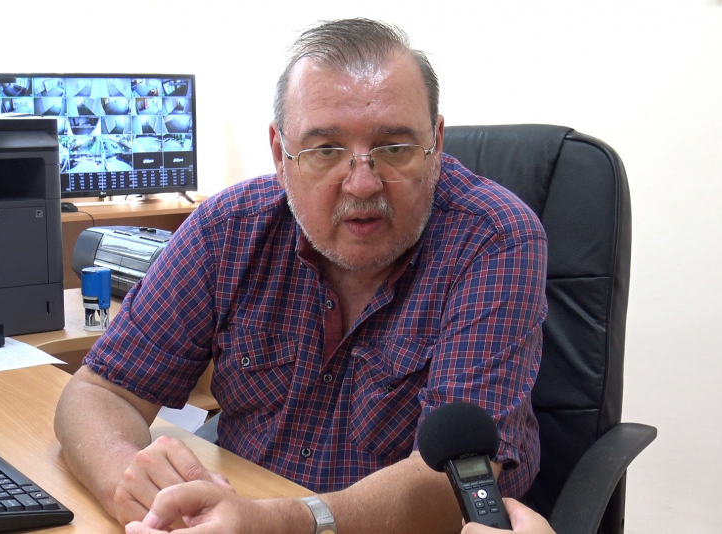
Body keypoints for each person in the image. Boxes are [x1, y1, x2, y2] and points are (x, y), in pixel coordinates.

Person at [54, 18, 547, 534]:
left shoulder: (494, 239)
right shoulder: (228, 229)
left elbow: (457, 482)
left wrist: (280, 522)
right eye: (325, 150)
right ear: (280, 154)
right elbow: (100, 392)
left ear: (437, 144)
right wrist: (132, 484)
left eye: (395, 149)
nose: (361, 183)